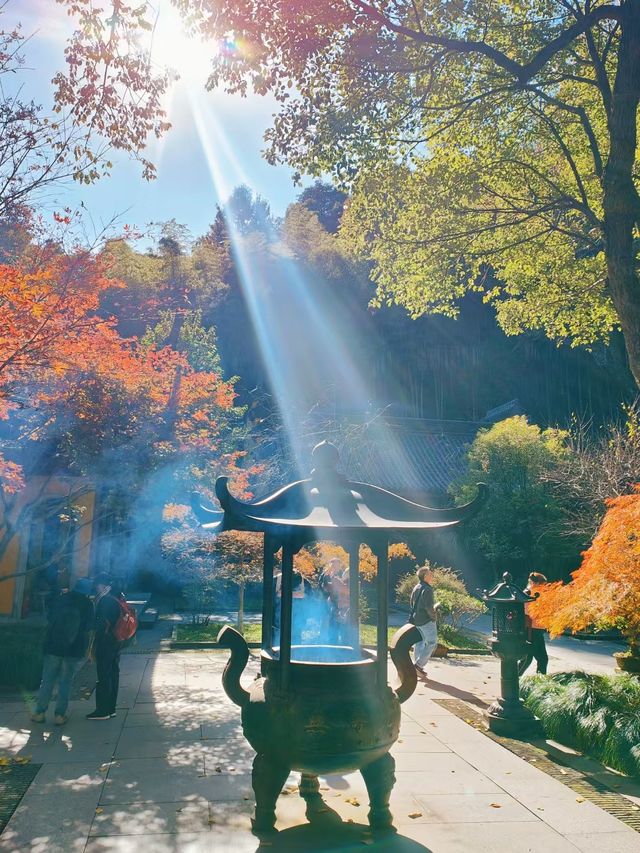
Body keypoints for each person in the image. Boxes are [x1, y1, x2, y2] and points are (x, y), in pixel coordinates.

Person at [31, 577, 94, 725]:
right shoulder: (87, 604)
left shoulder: (61, 598)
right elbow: (89, 627)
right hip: (73, 650)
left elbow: (50, 617)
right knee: (65, 682)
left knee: (47, 680)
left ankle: (39, 712)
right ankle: (60, 715)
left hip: (53, 646)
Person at [87, 572, 123, 720]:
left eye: (97, 586)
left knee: (104, 675)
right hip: (116, 642)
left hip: (106, 642)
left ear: (104, 586)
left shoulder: (105, 601)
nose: (96, 589)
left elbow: (101, 624)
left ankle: (102, 710)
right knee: (113, 674)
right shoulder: (118, 598)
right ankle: (111, 708)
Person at [409, 566, 439, 676]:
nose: (432, 575)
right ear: (425, 576)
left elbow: (411, 603)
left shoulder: (416, 587)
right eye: (430, 573)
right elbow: (429, 608)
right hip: (426, 620)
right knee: (432, 642)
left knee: (420, 641)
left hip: (416, 620)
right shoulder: (428, 589)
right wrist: (434, 617)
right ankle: (419, 665)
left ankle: (416, 665)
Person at [522, 572, 549, 675]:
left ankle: (514, 677)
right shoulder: (529, 594)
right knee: (541, 659)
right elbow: (527, 613)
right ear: (534, 583)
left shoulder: (534, 594)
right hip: (532, 630)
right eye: (542, 584)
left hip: (535, 629)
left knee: (528, 658)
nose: (544, 587)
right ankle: (513, 678)